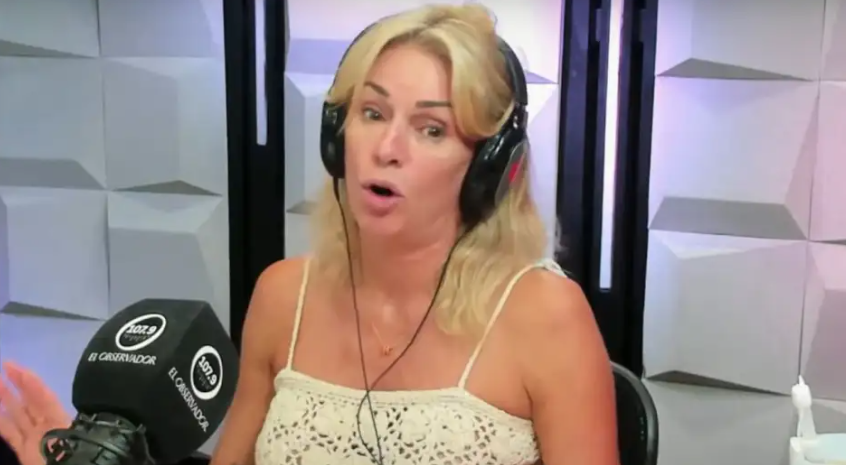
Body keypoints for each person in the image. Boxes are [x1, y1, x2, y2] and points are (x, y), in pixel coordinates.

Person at [0, 4, 618, 465]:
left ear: (489, 167)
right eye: (372, 113)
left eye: (431, 129)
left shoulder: (546, 316)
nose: (387, 147)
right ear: (335, 136)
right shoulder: (282, 296)